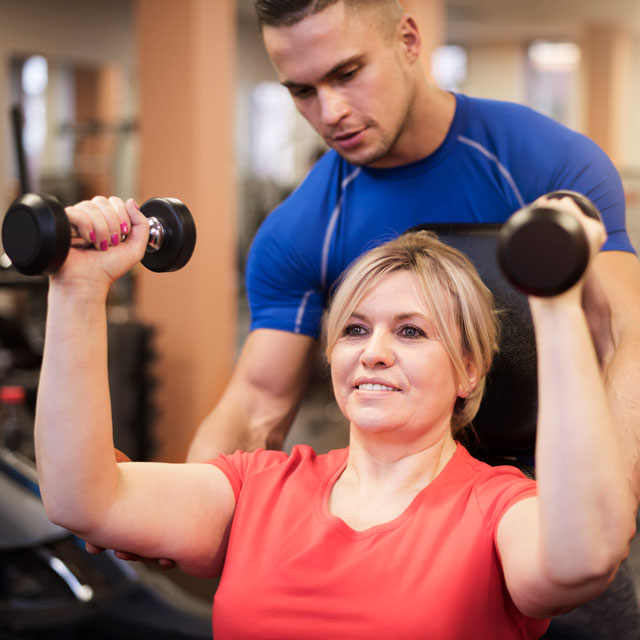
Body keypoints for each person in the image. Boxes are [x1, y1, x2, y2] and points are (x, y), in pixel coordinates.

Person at [35, 196, 636, 639]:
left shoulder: (499, 509)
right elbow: (82, 498)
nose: (373, 350)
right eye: (354, 328)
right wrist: (78, 291)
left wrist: (555, 304)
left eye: (410, 331)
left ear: (469, 370)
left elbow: (582, 558)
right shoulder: (256, 488)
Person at [186, 0, 640, 513]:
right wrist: (182, 506)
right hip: (407, 512)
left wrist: (608, 497)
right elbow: (255, 407)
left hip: (558, 493)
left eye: (348, 73)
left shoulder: (547, 161)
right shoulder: (300, 229)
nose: (330, 111)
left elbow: (629, 333)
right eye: (303, 91)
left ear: (407, 41)